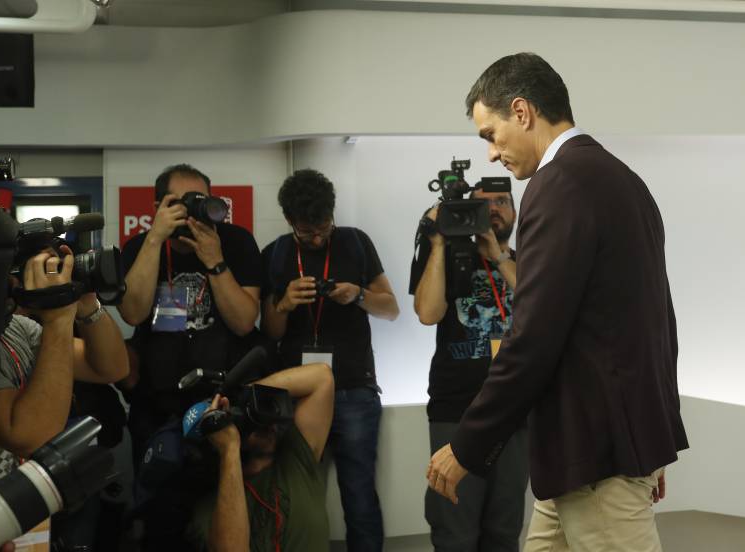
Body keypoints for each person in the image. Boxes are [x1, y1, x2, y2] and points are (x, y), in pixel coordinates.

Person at [427, 52, 689, 552]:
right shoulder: (622, 178)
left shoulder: (559, 185)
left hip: (595, 453)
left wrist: (467, 444)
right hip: (589, 449)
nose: (491, 154)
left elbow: (531, 339)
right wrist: (650, 435)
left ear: (521, 111)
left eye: (491, 135)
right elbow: (656, 321)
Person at [117, 163, 262, 547]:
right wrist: (155, 239)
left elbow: (244, 322)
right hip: (156, 409)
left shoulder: (235, 242)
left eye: (200, 201)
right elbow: (132, 313)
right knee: (160, 525)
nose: (192, 211)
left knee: (223, 518)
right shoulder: (139, 247)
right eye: (181, 202)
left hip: (221, 404)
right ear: (158, 207)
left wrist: (215, 260)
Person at [261, 169, 399, 552]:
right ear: (289, 220)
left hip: (353, 388)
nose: (318, 238)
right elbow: (270, 331)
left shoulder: (355, 242)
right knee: (298, 495)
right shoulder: (276, 253)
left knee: (359, 496)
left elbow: (391, 309)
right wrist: (285, 303)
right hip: (298, 394)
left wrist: (358, 295)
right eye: (307, 232)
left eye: (324, 227)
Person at [411, 186, 528, 552]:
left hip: (514, 412)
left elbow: (543, 304)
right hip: (455, 410)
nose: (494, 210)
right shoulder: (447, 258)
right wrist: (439, 244)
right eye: (483, 204)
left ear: (515, 212)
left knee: (504, 530)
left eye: (502, 202)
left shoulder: (528, 262)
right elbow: (427, 313)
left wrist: (499, 258)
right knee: (455, 532)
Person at [0, 245, 129, 486]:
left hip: (19, 495)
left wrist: (85, 303)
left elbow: (110, 368)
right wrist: (58, 319)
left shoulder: (16, 328)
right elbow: (29, 436)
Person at [185, 362, 335, 552]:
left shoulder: (296, 456)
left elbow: (322, 377)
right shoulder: (210, 511)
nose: (268, 424)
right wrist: (229, 448)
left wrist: (246, 394)